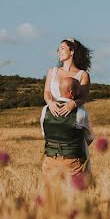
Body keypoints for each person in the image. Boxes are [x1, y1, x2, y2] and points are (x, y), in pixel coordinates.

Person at [40, 38, 93, 182]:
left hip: (74, 119)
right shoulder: (52, 71)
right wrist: (50, 103)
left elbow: (84, 98)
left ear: (72, 51)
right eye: (58, 49)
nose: (59, 51)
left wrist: (73, 104)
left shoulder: (83, 75)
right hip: (54, 118)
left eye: (62, 48)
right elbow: (46, 92)